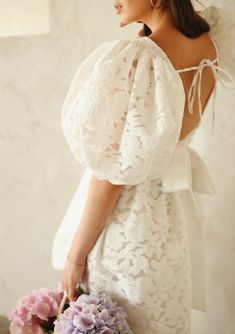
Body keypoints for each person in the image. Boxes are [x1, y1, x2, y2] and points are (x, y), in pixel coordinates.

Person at [51, 1, 235, 333]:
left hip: (124, 227)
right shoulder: (209, 41)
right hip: (169, 221)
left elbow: (110, 176)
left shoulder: (141, 56)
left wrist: (75, 256)